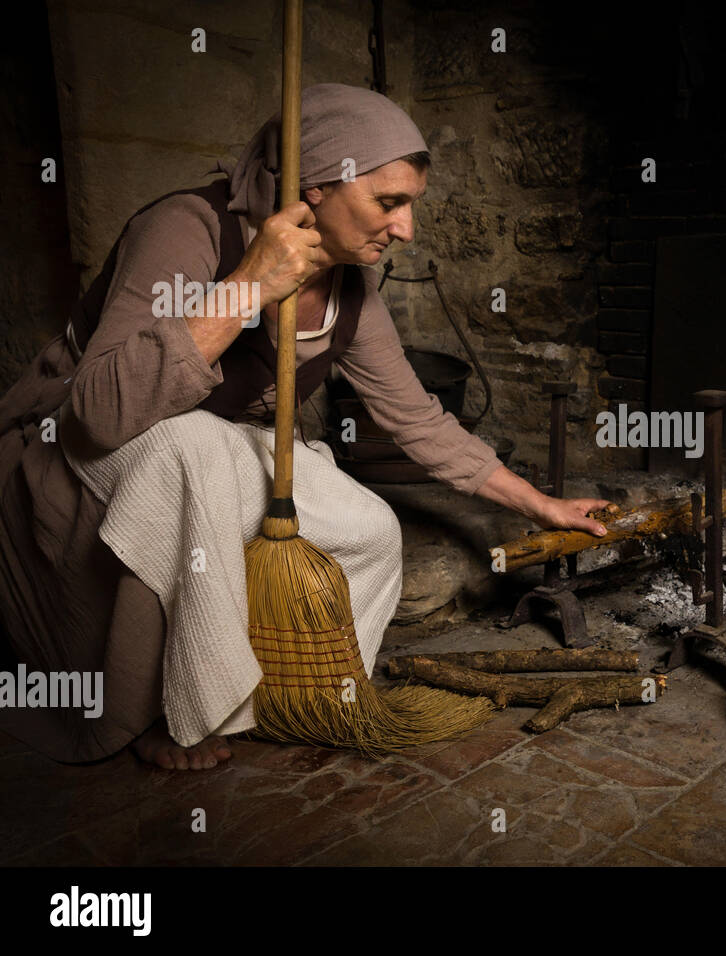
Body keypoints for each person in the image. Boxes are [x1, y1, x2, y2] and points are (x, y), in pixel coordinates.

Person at [0, 83, 609, 770]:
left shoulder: (353, 287)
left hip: (212, 448)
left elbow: (417, 419)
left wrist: (541, 504)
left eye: (411, 205)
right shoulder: (191, 229)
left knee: (368, 528)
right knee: (198, 450)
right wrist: (250, 284)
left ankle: (303, 692)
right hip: (86, 441)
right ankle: (188, 715)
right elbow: (101, 410)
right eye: (389, 203)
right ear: (316, 187)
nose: (406, 228)